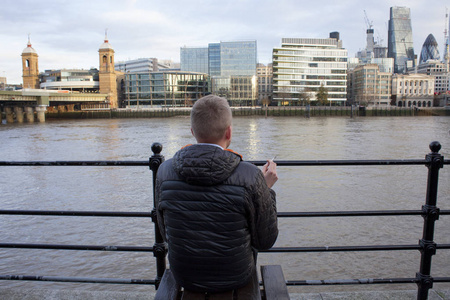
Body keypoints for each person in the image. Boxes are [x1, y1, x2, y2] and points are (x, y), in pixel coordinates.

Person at [155, 95, 278, 293]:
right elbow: (265, 241)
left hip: (185, 275)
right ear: (229, 132)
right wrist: (266, 190)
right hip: (236, 276)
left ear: (193, 131)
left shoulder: (164, 172)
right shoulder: (249, 175)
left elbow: (165, 231)